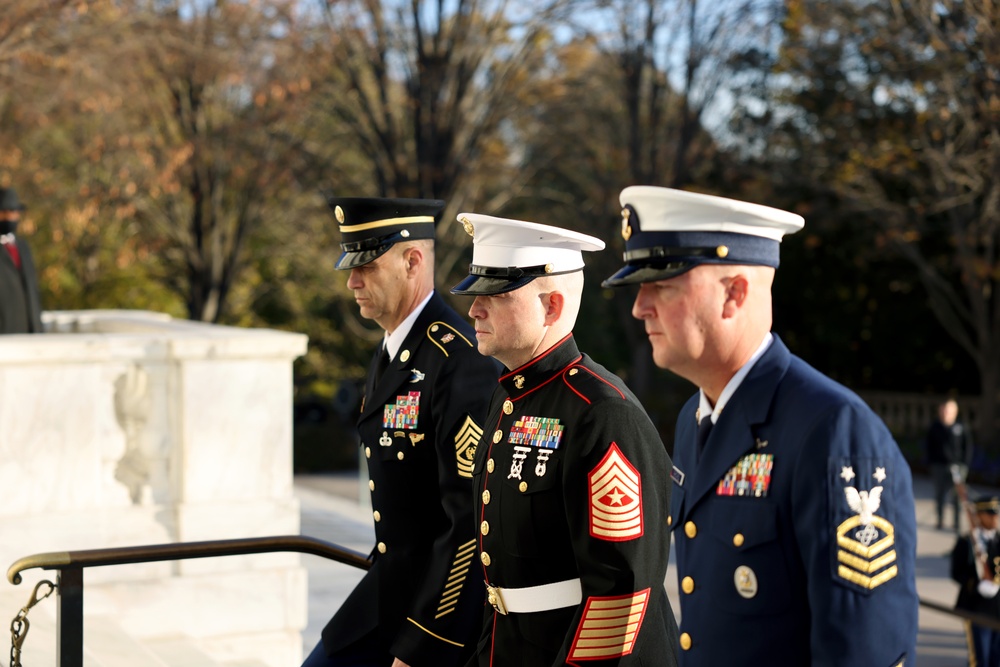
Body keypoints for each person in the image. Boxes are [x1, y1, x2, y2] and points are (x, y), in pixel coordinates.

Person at [603, 185, 918, 666]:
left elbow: (863, 649)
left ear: (735, 294)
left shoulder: (833, 430)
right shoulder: (695, 418)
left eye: (662, 286)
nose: (639, 306)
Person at [450, 212, 679, 666]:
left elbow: (620, 591)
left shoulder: (601, 412)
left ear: (551, 306)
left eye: (494, 294)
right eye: (475, 294)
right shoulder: (510, 396)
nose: (474, 308)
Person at [306, 197, 500, 667]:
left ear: (413, 261)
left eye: (367, 266)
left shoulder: (457, 360)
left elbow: (468, 527)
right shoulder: (394, 350)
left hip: (434, 612)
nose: (352, 281)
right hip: (390, 589)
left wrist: (425, 645)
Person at [951, 495, 1000, 667]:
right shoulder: (967, 542)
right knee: (980, 659)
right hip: (976, 608)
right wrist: (977, 584)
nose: (995, 518)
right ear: (978, 516)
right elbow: (957, 572)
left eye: (996, 514)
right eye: (990, 514)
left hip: (998, 608)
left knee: (997, 658)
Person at [0, 187, 43, 334]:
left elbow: (32, 291)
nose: (10, 217)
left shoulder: (23, 247)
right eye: (4, 212)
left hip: (27, 333)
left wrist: (38, 329)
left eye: (13, 212)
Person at [928, 398, 975, 532]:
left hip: (958, 467)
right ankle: (940, 520)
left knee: (957, 496)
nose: (946, 413)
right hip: (939, 466)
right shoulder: (935, 427)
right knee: (939, 494)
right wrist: (932, 463)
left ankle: (956, 523)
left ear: (955, 411)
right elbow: (929, 446)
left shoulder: (961, 427)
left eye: (949, 410)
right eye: (943, 410)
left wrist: (965, 465)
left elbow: (968, 447)